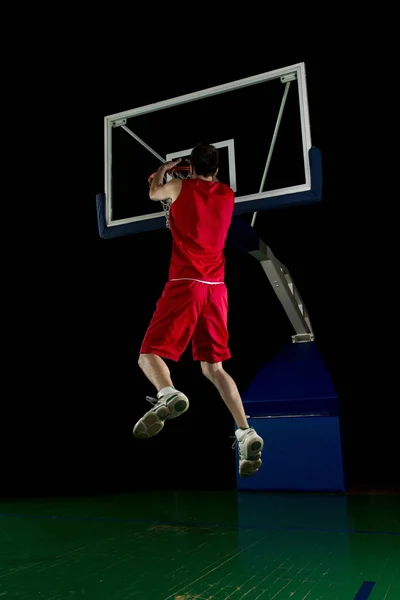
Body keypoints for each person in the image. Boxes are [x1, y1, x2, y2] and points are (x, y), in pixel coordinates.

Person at [133, 143, 263, 477]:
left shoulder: (179, 186)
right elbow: (201, 192)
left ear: (190, 167)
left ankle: (167, 393)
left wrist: (164, 169)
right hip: (217, 290)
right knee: (214, 369)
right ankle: (245, 430)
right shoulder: (228, 194)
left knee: (148, 355)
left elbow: (153, 194)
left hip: (186, 283)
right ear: (217, 169)